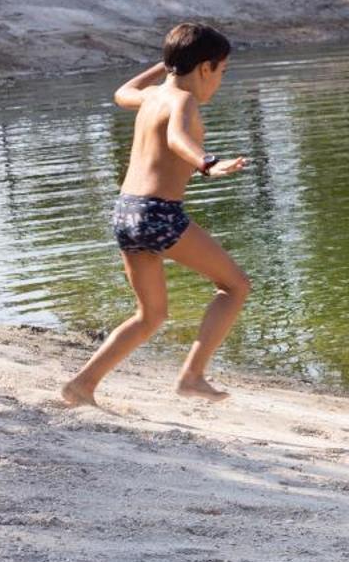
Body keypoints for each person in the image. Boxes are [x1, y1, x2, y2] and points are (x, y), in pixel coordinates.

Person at [60, 23, 252, 407]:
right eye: (222, 71)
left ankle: (82, 385)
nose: (220, 81)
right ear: (204, 68)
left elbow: (120, 93)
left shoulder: (152, 97)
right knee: (235, 287)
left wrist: (167, 64)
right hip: (157, 213)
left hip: (125, 211)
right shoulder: (183, 100)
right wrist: (207, 162)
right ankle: (192, 376)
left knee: (151, 315)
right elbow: (176, 139)